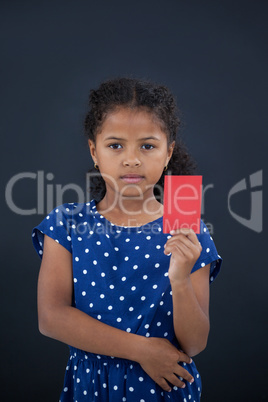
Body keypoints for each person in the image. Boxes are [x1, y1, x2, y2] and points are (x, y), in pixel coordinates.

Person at [32, 77, 222, 402]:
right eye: (115, 145)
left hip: (165, 390)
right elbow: (51, 317)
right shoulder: (66, 224)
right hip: (91, 388)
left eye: (147, 146)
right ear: (94, 150)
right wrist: (142, 350)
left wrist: (180, 278)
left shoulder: (188, 233)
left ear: (168, 153)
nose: (131, 159)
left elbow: (194, 344)